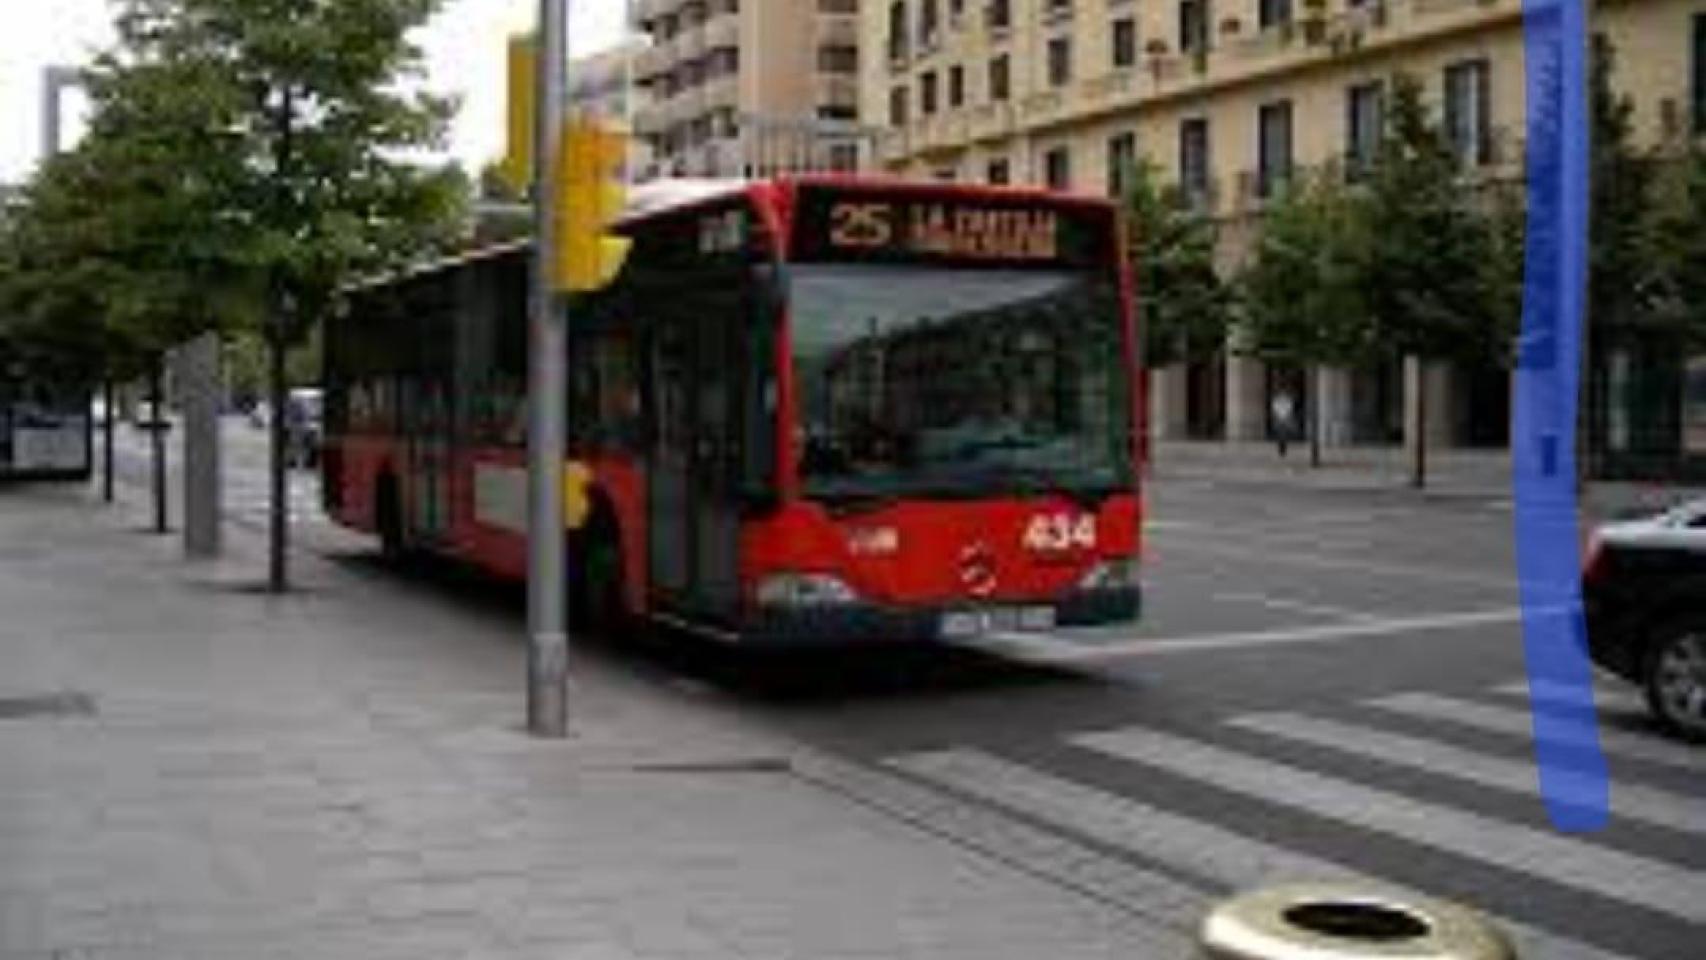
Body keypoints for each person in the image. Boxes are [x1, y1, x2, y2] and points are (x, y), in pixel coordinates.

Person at [1271, 389, 1297, 458]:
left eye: (1284, 393)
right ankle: (1281, 448)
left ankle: (1283, 448)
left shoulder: (1287, 400)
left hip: (1284, 418)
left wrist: (1287, 416)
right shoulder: (1277, 400)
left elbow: (1290, 409)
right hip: (1280, 418)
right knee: (1280, 434)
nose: (1283, 394)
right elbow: (1275, 409)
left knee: (1284, 434)